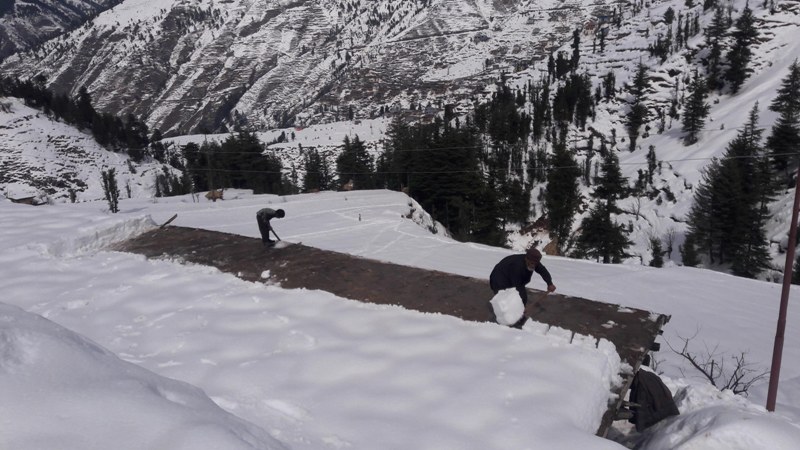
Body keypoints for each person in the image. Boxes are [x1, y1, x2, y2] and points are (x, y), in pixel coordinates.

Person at [489, 246, 556, 327]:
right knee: (505, 301)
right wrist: (520, 305)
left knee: (520, 298)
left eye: (535, 264)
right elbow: (517, 286)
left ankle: (517, 317)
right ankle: (505, 321)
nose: (533, 266)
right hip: (499, 280)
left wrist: (549, 283)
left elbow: (542, 270)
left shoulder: (534, 261)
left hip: (512, 279)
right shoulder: (517, 266)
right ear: (526, 259)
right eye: (531, 263)